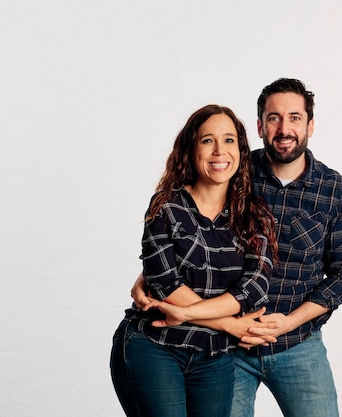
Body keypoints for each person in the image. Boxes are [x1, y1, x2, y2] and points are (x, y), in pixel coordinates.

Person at [132, 78, 342, 417]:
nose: (284, 128)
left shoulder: (334, 190)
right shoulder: (235, 170)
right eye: (274, 118)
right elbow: (188, 231)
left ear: (310, 125)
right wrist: (148, 276)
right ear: (259, 126)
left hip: (298, 344)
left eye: (295, 117)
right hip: (227, 347)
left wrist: (288, 322)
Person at [110, 104, 278, 417]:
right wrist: (231, 325)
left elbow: (252, 289)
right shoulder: (167, 206)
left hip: (215, 358)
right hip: (155, 346)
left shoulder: (255, 215)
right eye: (207, 140)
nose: (219, 151)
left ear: (240, 151)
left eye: (229, 140)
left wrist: (186, 313)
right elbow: (164, 284)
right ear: (191, 148)